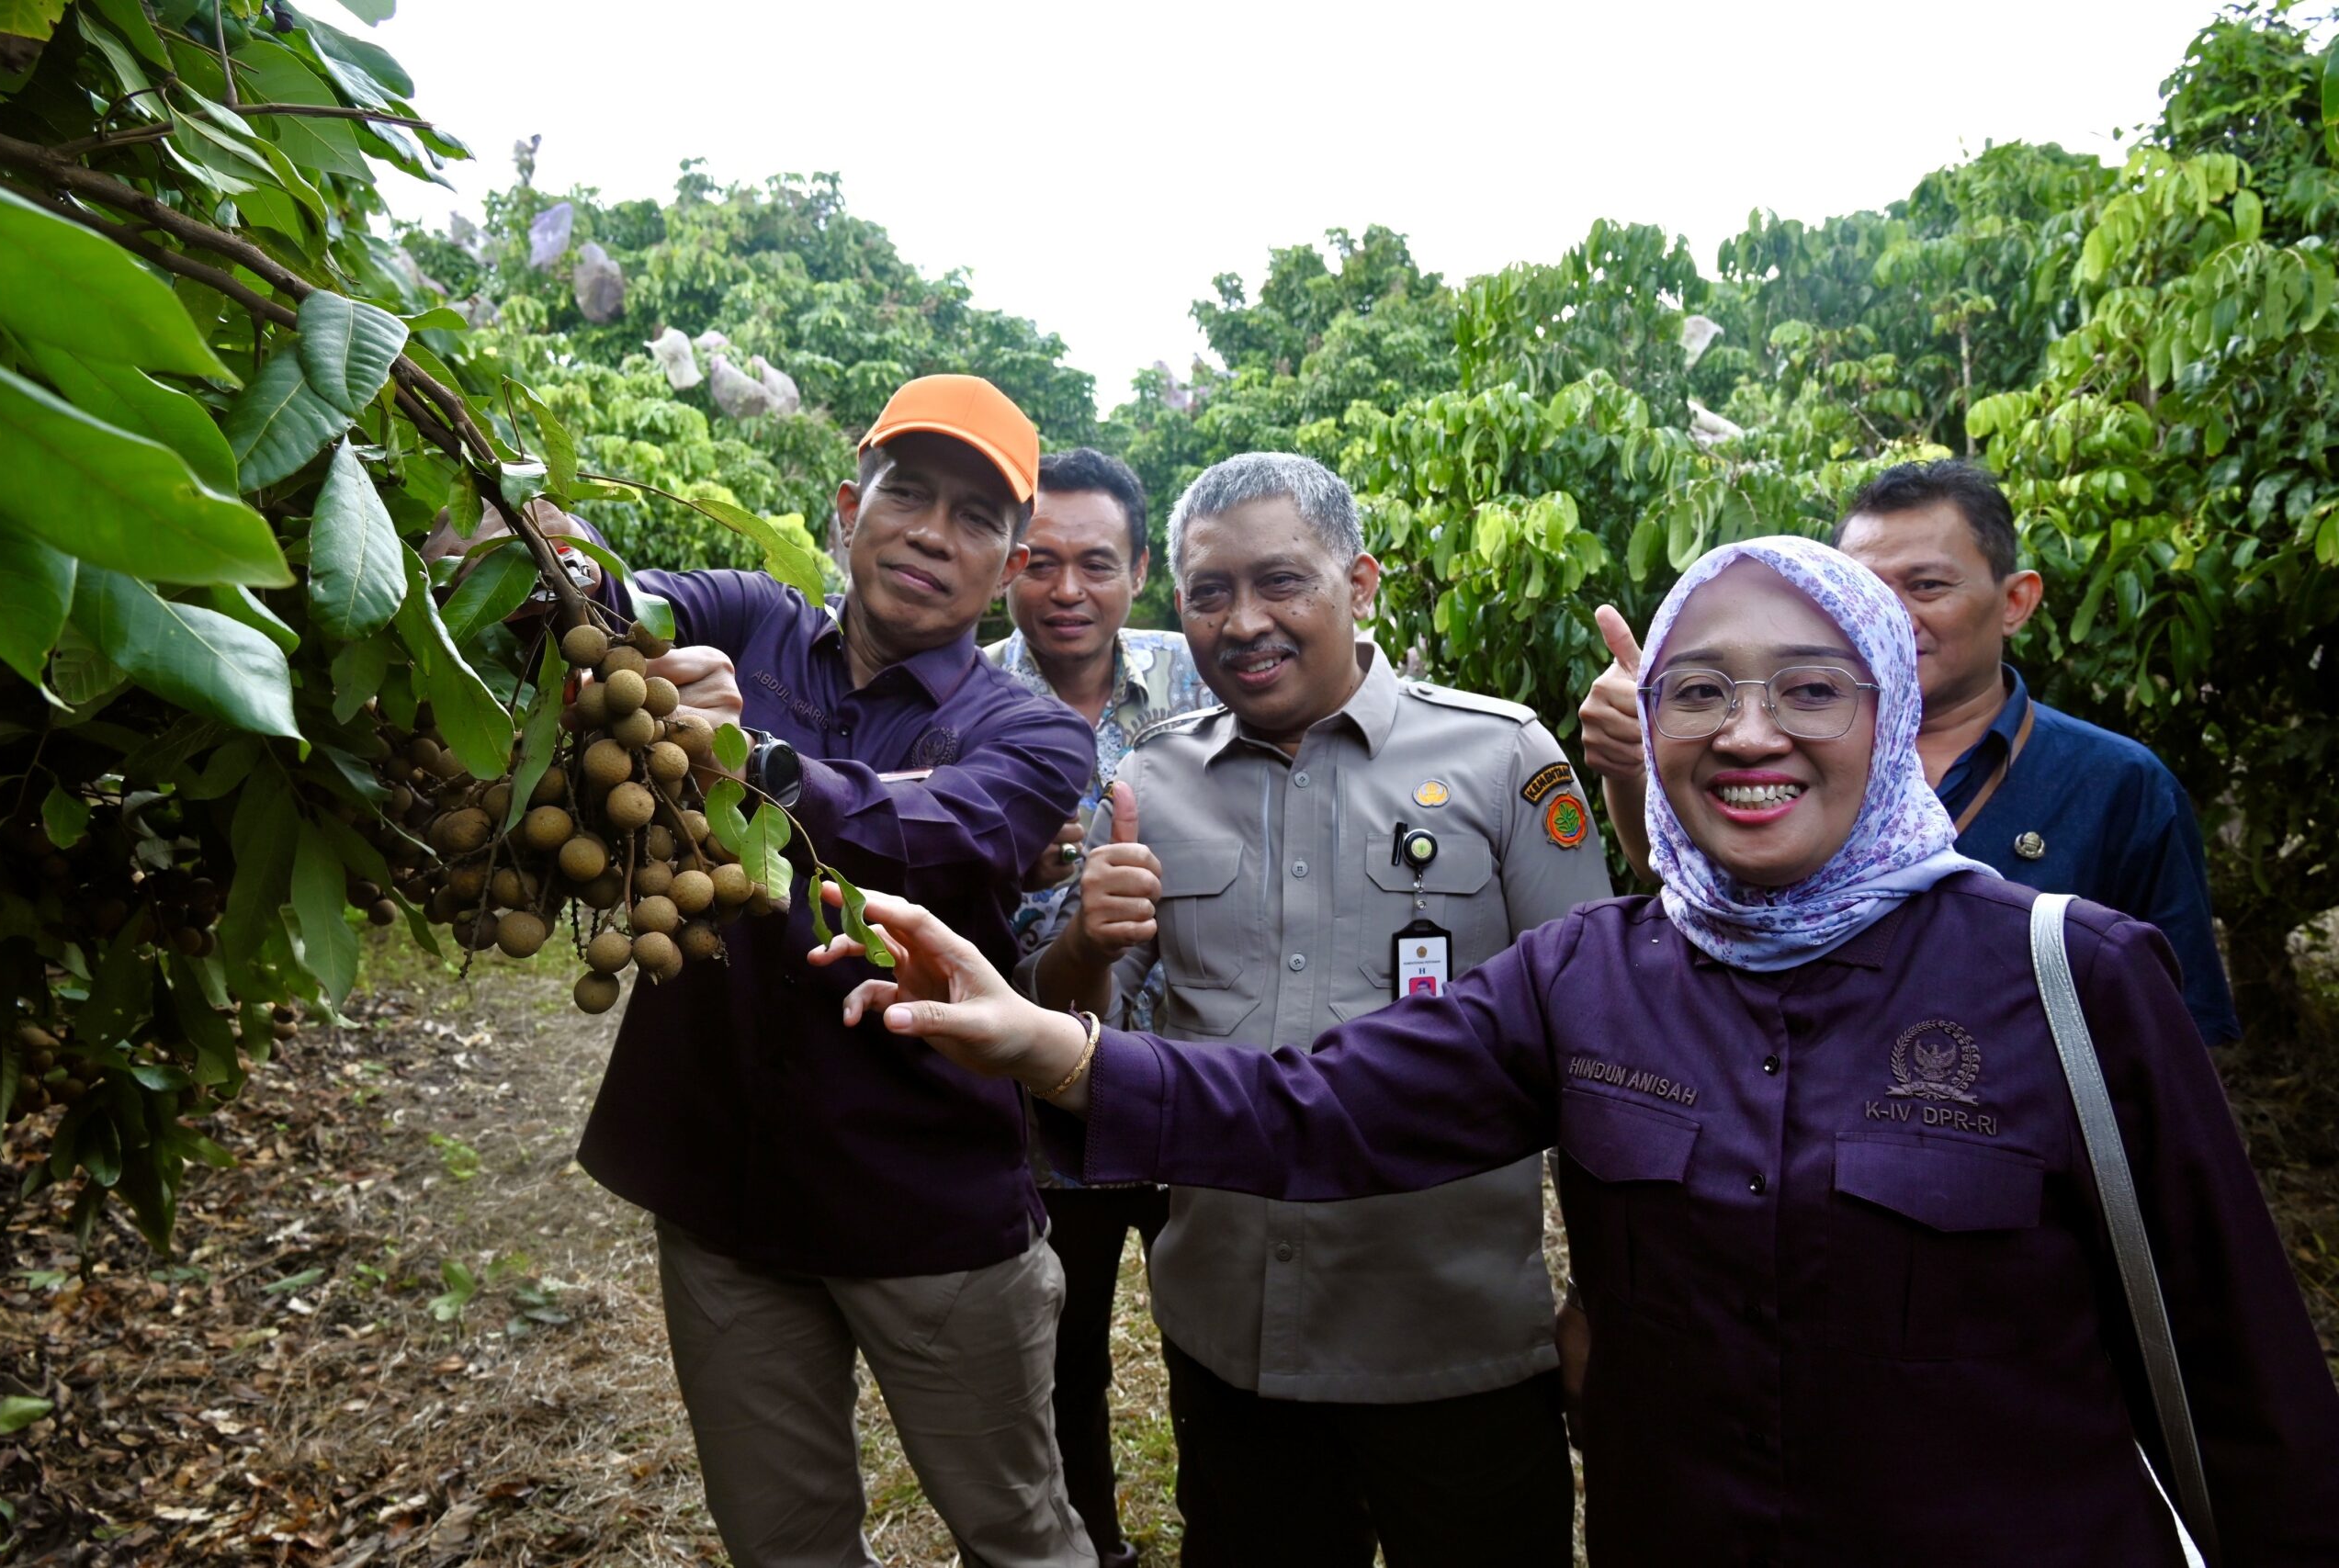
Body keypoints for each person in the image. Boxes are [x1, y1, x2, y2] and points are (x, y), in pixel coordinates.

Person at [813, 536, 2339, 1567]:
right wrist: (1050, 1043)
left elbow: (2245, 1378)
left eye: (1811, 687)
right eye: (1700, 689)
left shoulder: (2069, 974)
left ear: (1890, 715)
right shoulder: (1593, 975)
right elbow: (1315, 1107)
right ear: (1648, 730)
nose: (1750, 732)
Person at [454, 375, 1101, 1567]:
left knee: (1017, 1531)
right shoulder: (744, 614)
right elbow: (596, 608)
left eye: (973, 516)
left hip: (927, 1204)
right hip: (725, 1197)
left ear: (1010, 568)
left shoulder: (1037, 732)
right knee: (781, 1540)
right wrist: (518, 536)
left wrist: (749, 762)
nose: (930, 533)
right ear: (850, 508)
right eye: (907, 494)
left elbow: (942, 830)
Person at [1024, 453, 1610, 1567]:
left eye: (1281, 581)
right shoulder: (1154, 782)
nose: (1243, 622)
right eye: (1209, 593)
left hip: (1453, 1343)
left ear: (1361, 583)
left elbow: (1594, 1051)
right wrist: (1084, 943)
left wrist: (1599, 1295)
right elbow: (1073, 1027)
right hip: (1232, 1337)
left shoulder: (1503, 761)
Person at [1582, 458, 2239, 1043]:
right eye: (1864, 589)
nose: (1890, 616)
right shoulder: (1783, 755)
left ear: (2015, 601)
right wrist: (1636, 761)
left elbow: (2174, 1046)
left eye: (1926, 586)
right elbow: (1691, 886)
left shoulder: (2121, 785)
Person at [983, 447, 1211, 1568]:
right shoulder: (958, 701)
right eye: (1040, 561)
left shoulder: (1201, 680)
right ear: (1006, 566)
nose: (1066, 590)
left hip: (1199, 1089)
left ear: (1140, 572)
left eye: (1097, 564)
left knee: (1213, 1348)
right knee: (1056, 1359)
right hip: (1035, 1110)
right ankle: (1093, 1550)